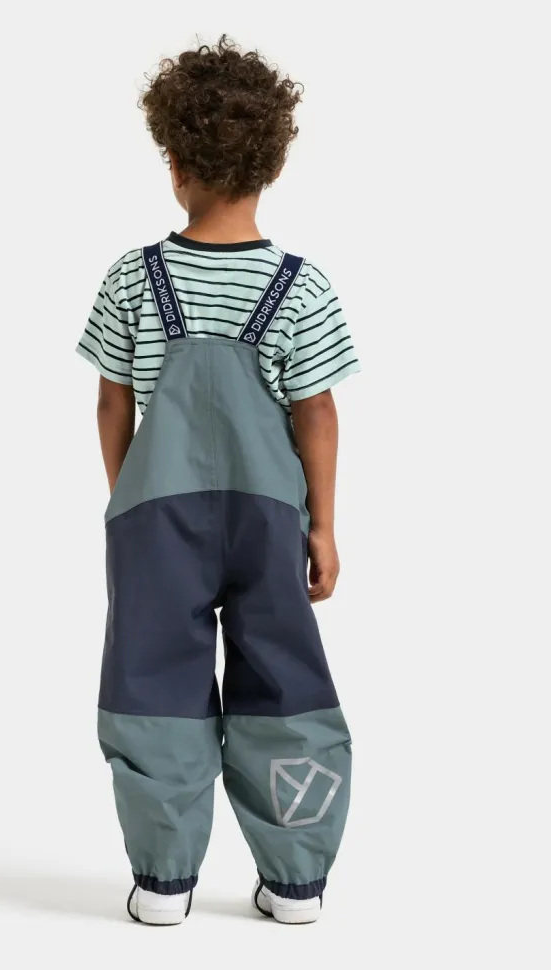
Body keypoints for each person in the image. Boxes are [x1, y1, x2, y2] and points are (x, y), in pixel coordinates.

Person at [76, 36, 360, 925]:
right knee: (285, 680)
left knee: (154, 683)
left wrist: (128, 498)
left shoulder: (134, 277)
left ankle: (164, 882)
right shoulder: (300, 287)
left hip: (156, 521)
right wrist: (323, 525)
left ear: (173, 164)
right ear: (273, 164)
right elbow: (318, 413)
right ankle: (297, 881)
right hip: (271, 519)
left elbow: (111, 403)